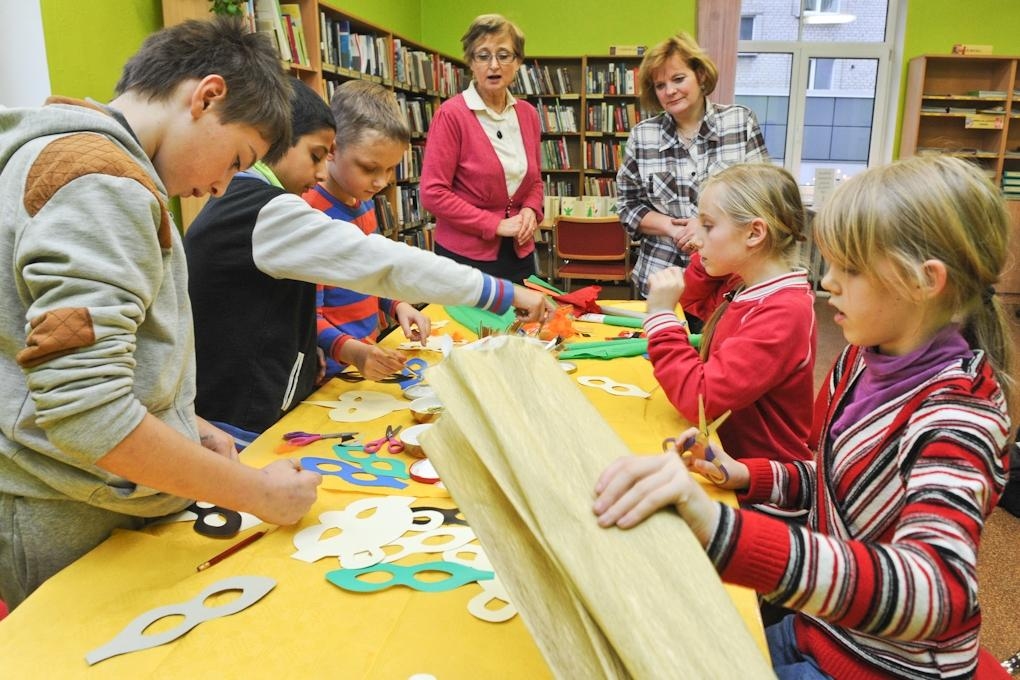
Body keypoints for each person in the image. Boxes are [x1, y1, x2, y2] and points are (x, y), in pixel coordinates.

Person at [593, 156, 1016, 679]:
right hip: (823, 629)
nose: (826, 283)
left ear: (924, 281)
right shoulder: (862, 358)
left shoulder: (958, 415)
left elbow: (936, 589)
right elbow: (844, 485)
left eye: (850, 269)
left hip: (880, 667)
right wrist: (751, 475)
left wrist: (718, 528)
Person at [0, 17, 323, 609]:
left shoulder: (91, 168)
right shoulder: (101, 183)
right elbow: (89, 416)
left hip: (87, 497)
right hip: (73, 512)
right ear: (206, 95)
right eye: (236, 158)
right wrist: (258, 494)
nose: (224, 186)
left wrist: (184, 424)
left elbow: (71, 359)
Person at [185, 78, 549, 447]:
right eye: (315, 156)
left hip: (236, 408)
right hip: (236, 419)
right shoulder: (268, 211)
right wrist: (503, 292)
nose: (322, 173)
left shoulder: (250, 202)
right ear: (275, 140)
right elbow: (382, 263)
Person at [643, 164, 816, 469]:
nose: (695, 238)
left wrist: (660, 318)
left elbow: (699, 399)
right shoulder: (743, 285)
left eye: (708, 226)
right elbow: (691, 297)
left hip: (763, 489)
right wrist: (708, 246)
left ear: (754, 233)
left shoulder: (784, 312)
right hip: (724, 458)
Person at [616, 32, 768, 302]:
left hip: (729, 282)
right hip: (662, 277)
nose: (670, 91)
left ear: (700, 75)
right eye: (660, 85)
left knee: (722, 345)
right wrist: (672, 228)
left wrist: (706, 226)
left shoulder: (739, 122)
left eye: (678, 79)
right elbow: (628, 205)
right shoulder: (643, 136)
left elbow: (762, 197)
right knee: (663, 343)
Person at [303, 80, 427, 382]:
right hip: (335, 373)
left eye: (389, 169)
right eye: (369, 168)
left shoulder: (364, 204)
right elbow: (308, 321)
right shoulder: (311, 216)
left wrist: (398, 305)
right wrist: (356, 353)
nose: (381, 181)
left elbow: (369, 276)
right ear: (332, 149)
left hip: (367, 360)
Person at [420, 13, 543, 283]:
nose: (494, 65)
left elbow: (534, 181)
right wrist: (495, 224)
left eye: (504, 54)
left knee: (525, 325)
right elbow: (432, 193)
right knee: (468, 326)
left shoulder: (528, 114)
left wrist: (530, 211)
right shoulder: (451, 115)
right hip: (465, 258)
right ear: (471, 63)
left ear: (518, 61)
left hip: (519, 252)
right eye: (483, 55)